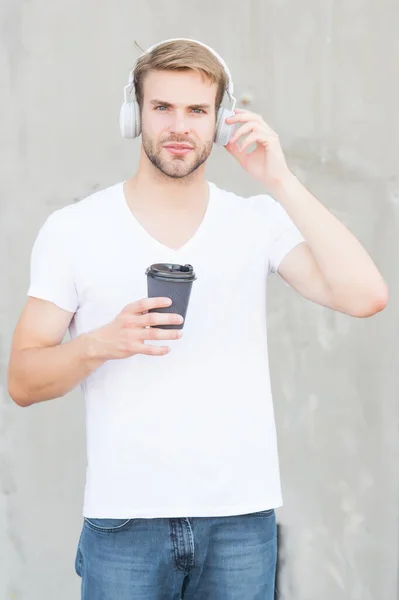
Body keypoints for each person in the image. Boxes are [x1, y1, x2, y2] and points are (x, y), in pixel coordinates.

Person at [7, 38, 388, 600]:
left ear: (221, 120)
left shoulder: (255, 222)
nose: (179, 125)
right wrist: (100, 343)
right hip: (124, 523)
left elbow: (367, 295)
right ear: (134, 115)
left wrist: (280, 179)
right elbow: (22, 380)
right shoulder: (74, 230)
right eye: (162, 107)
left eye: (197, 110)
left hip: (240, 523)